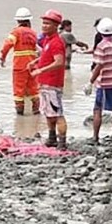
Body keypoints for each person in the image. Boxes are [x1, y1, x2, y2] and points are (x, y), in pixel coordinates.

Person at [29, 10, 67, 149]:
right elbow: (47, 55)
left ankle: (62, 142)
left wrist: (40, 70)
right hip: (44, 82)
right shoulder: (47, 40)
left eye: (47, 23)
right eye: (43, 23)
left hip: (53, 83)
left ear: (55, 26)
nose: (44, 26)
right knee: (48, 112)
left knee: (57, 113)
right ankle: (52, 137)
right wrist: (36, 61)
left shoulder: (57, 42)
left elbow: (59, 62)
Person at [87, 18, 112, 144]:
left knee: (97, 109)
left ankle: (95, 137)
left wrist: (90, 82)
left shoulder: (101, 46)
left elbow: (99, 66)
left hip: (104, 84)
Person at [0, 7, 39, 115]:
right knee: (34, 88)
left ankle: (20, 112)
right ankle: (36, 109)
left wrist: (2, 57)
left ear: (18, 21)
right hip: (32, 65)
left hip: (19, 66)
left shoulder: (16, 32)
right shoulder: (33, 33)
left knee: (18, 89)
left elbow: (7, 44)